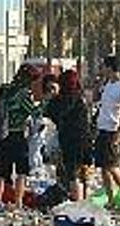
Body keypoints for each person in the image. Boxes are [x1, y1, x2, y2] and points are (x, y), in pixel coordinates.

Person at [0, 64, 40, 209]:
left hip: (2, 135)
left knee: (1, 171)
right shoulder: (23, 94)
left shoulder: (6, 90)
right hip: (17, 135)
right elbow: (34, 112)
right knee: (21, 171)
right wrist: (45, 102)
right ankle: (18, 202)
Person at [45, 69, 92, 201]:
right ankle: (84, 200)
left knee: (72, 174)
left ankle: (76, 202)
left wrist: (50, 98)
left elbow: (51, 113)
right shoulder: (81, 99)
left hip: (70, 142)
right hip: (85, 140)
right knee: (83, 173)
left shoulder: (63, 100)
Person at [95, 55, 120, 210]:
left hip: (112, 130)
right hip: (102, 129)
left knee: (112, 166)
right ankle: (111, 199)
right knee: (103, 167)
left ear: (110, 67)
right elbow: (98, 101)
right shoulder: (107, 84)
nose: (102, 69)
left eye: (104, 66)